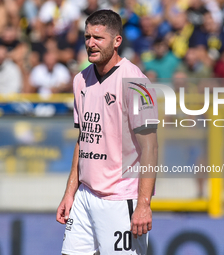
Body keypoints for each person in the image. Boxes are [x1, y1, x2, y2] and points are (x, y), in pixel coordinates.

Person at [56, 9, 158, 254]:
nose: (91, 43)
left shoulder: (136, 82)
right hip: (85, 196)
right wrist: (70, 193)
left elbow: (150, 147)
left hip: (120, 198)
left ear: (117, 41)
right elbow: (83, 140)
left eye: (98, 38)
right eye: (87, 36)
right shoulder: (80, 80)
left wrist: (143, 204)